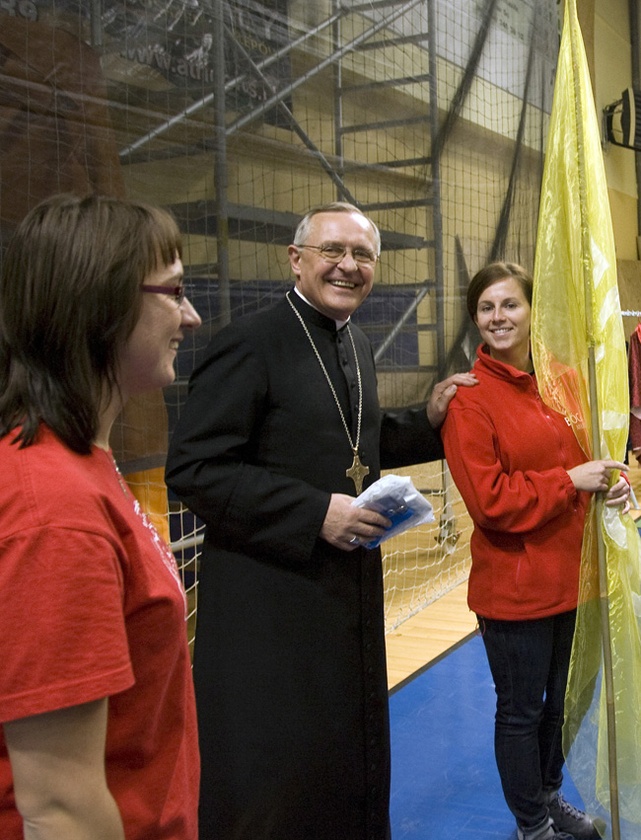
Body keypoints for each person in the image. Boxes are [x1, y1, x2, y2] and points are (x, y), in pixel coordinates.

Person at [166, 200, 477, 840]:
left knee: (342, 763)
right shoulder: (249, 343)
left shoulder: (355, 340)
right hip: (268, 610)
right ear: (297, 259)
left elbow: (352, 442)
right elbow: (195, 468)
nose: (348, 265)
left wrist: (431, 422)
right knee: (277, 783)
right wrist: (314, 513)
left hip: (344, 595)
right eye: (333, 250)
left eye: (362, 254)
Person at [0, 194, 202, 839]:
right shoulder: (54, 513)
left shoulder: (83, 463)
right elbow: (60, 806)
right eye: (173, 292)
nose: (191, 316)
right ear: (103, 305)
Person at [441, 262, 630, 840]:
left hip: (571, 578)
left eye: (509, 305)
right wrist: (570, 480)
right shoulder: (468, 402)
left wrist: (611, 483)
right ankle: (532, 825)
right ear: (476, 320)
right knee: (521, 712)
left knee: (559, 707)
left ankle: (548, 797)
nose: (498, 318)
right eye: (486, 309)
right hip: (515, 590)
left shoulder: (563, 384)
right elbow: (492, 502)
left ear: (530, 311)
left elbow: (589, 464)